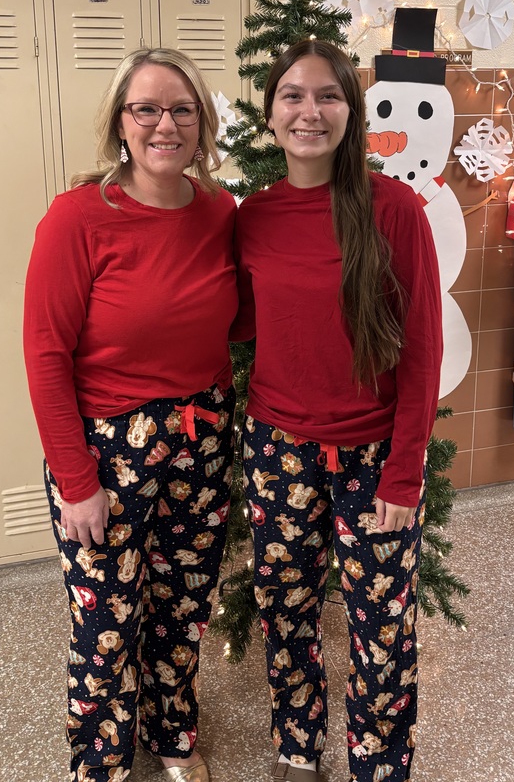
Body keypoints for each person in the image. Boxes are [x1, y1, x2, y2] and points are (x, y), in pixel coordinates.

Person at [23, 48, 239, 782]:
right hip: (108, 449)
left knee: (183, 605)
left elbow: (232, 322)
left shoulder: (219, 210)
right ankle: (101, 761)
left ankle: (172, 734)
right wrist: (75, 478)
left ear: (202, 124)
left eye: (181, 109)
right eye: (146, 108)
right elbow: (45, 354)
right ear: (121, 121)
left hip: (202, 438)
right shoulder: (77, 217)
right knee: (106, 620)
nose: (164, 125)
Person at [235, 40, 443, 782]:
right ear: (269, 113)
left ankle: (378, 761)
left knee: (382, 630)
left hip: (373, 456)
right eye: (292, 95)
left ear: (351, 112)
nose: (309, 111)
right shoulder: (252, 216)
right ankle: (297, 745)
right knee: (285, 614)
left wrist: (404, 472)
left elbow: (422, 347)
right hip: (277, 450)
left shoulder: (393, 208)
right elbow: (230, 319)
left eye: (328, 96)